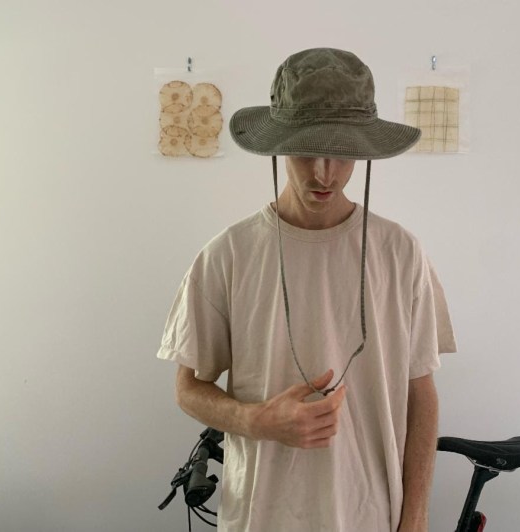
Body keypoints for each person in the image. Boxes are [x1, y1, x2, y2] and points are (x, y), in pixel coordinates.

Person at [157, 48, 457, 532]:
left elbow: (420, 392)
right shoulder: (228, 254)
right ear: (280, 146)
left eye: (341, 152)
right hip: (260, 516)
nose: (323, 172)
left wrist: (416, 516)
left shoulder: (400, 253)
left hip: (369, 516)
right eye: (306, 150)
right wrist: (257, 421)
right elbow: (188, 387)